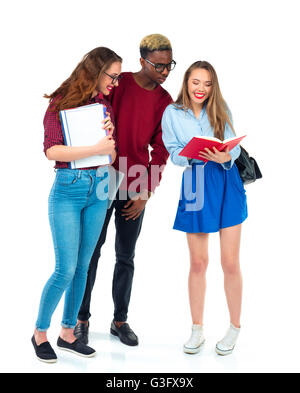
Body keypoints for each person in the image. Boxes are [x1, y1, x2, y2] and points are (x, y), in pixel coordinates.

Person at [75, 34, 174, 346]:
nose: (165, 71)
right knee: (91, 251)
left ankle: (120, 320)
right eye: (158, 65)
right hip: (104, 176)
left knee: (126, 255)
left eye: (169, 64)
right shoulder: (121, 84)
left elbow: (161, 149)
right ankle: (80, 319)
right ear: (142, 60)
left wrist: (146, 191)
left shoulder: (165, 101)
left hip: (135, 182)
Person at [32, 47, 122, 363]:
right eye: (112, 76)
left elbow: (110, 156)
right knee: (65, 269)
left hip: (98, 189)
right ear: (96, 71)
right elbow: (52, 152)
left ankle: (68, 332)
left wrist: (109, 142)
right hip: (68, 191)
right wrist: (95, 148)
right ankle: (40, 333)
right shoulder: (60, 104)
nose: (115, 82)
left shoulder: (103, 106)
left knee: (84, 265)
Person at [161, 61, 248, 356]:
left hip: (226, 180)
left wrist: (226, 156)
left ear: (214, 86)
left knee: (230, 262)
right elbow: (172, 150)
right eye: (196, 82)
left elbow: (233, 147)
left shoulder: (220, 107)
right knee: (198, 262)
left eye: (207, 84)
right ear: (186, 82)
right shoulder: (172, 113)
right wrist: (191, 156)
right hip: (196, 182)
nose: (201, 89)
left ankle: (234, 326)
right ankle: (197, 329)